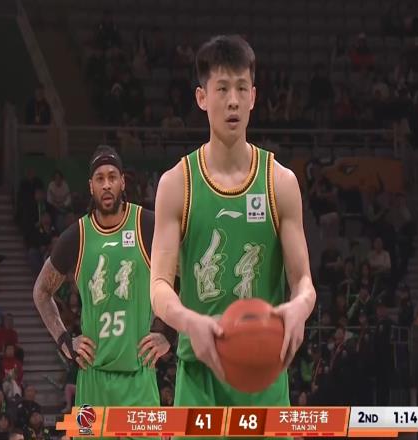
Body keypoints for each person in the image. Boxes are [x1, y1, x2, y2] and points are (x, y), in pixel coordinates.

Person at [150, 35, 316, 424]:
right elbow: (158, 286)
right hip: (199, 380)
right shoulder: (177, 184)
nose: (233, 101)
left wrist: (299, 307)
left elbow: (303, 280)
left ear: (254, 97)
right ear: (201, 97)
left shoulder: (280, 182)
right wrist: (189, 321)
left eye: (242, 88)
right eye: (222, 88)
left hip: (264, 374)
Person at [33, 146, 174, 412]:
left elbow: (188, 276)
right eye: (100, 178)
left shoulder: (147, 225)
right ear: (91, 186)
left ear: (122, 182)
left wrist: (169, 333)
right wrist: (63, 339)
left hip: (139, 377)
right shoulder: (77, 236)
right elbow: (41, 291)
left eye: (112, 177)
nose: (106, 184)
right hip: (93, 378)